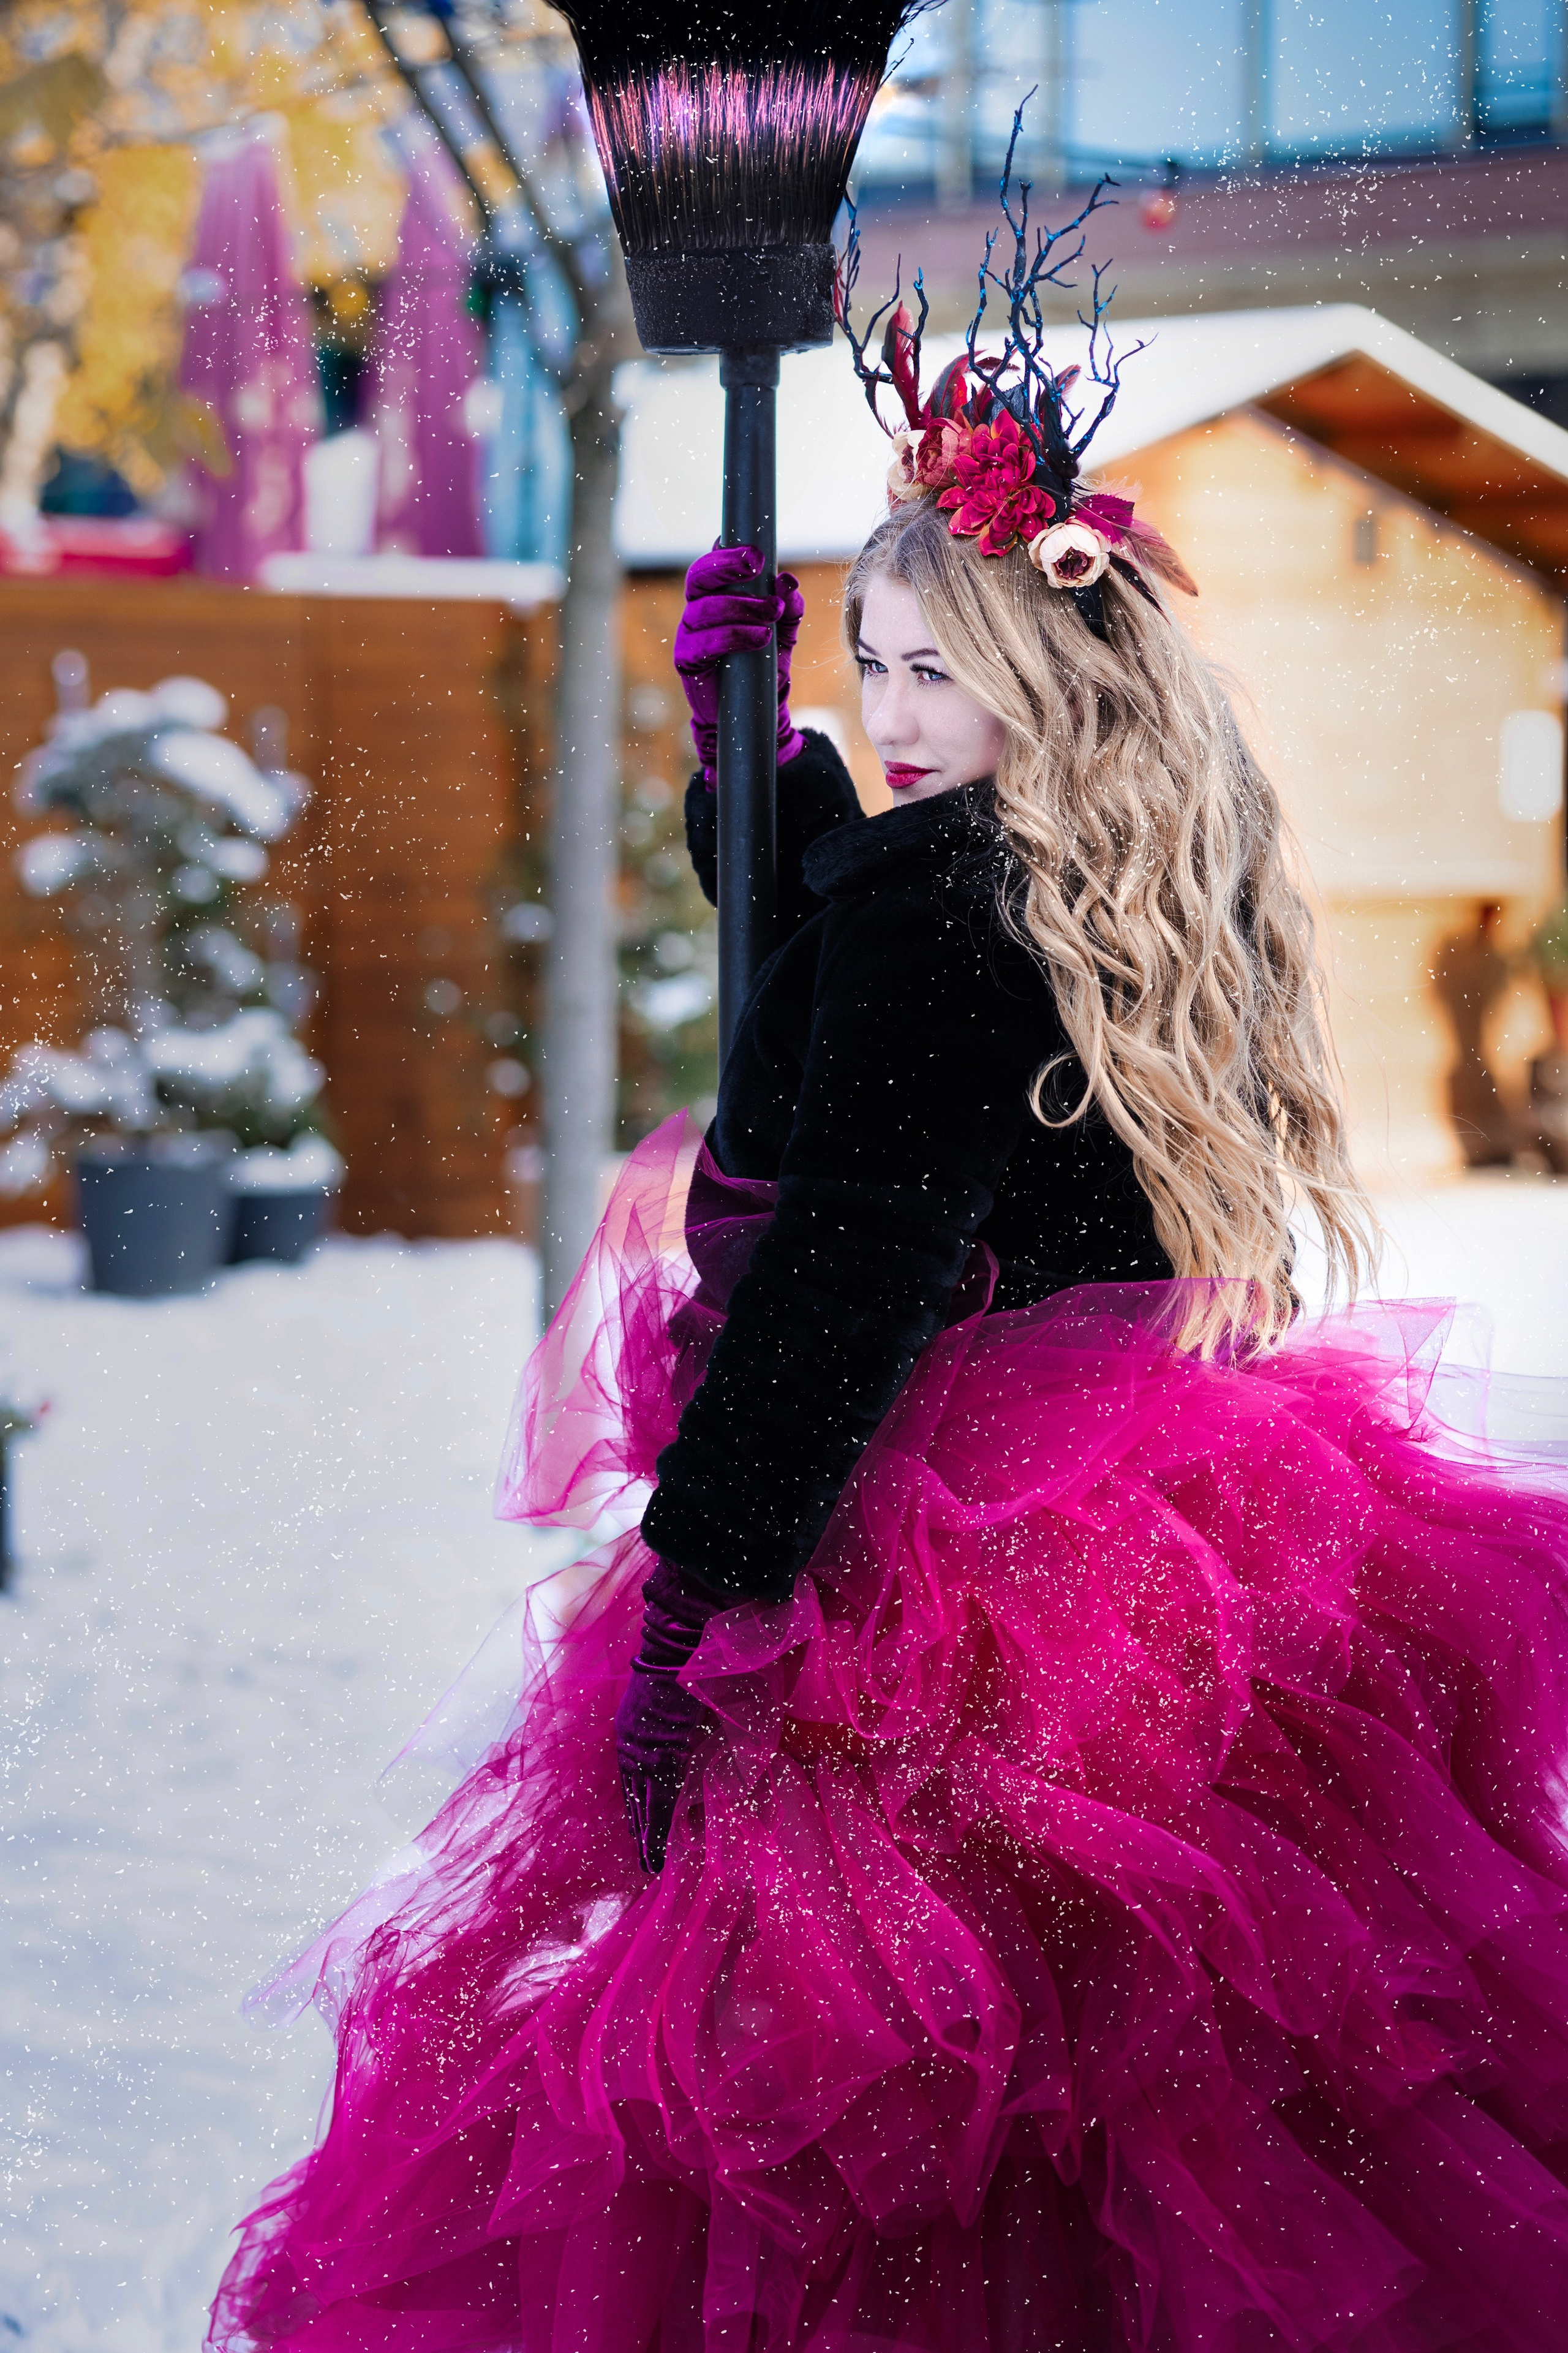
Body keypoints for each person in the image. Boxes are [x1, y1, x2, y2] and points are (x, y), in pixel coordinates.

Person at [210, 208, 1568, 2353]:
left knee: (869, 2107)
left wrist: (704, 1587)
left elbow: (849, 1254)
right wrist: (766, 789)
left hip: (938, 1571)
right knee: (1149, 2088)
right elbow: (862, 1044)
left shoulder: (939, 915)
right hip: (1155, 1536)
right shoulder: (1111, 875)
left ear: (1048, 670)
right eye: (877, 660)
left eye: (947, 669)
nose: (903, 710)